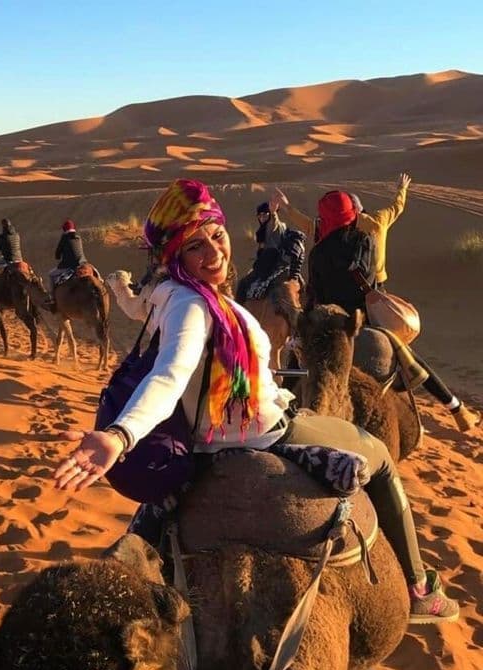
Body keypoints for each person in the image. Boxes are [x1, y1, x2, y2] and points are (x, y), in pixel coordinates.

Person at [54, 178, 458, 624]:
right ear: (175, 255)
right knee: (380, 457)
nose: (214, 252)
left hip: (206, 439)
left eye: (217, 235)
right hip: (263, 431)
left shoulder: (164, 293)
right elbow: (171, 373)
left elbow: (146, 325)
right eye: (195, 246)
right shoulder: (193, 306)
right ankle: (419, 587)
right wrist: (120, 436)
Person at [308, 190, 479, 432]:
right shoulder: (364, 240)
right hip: (363, 319)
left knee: (301, 358)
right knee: (406, 355)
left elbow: (317, 296)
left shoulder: (317, 253)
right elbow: (372, 282)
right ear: (351, 214)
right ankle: (455, 408)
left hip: (332, 323)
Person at [274, 172, 411, 287]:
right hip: (375, 284)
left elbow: (309, 226)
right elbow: (397, 207)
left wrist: (287, 207)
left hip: (342, 285)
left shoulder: (334, 225)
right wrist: (402, 189)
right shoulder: (379, 220)